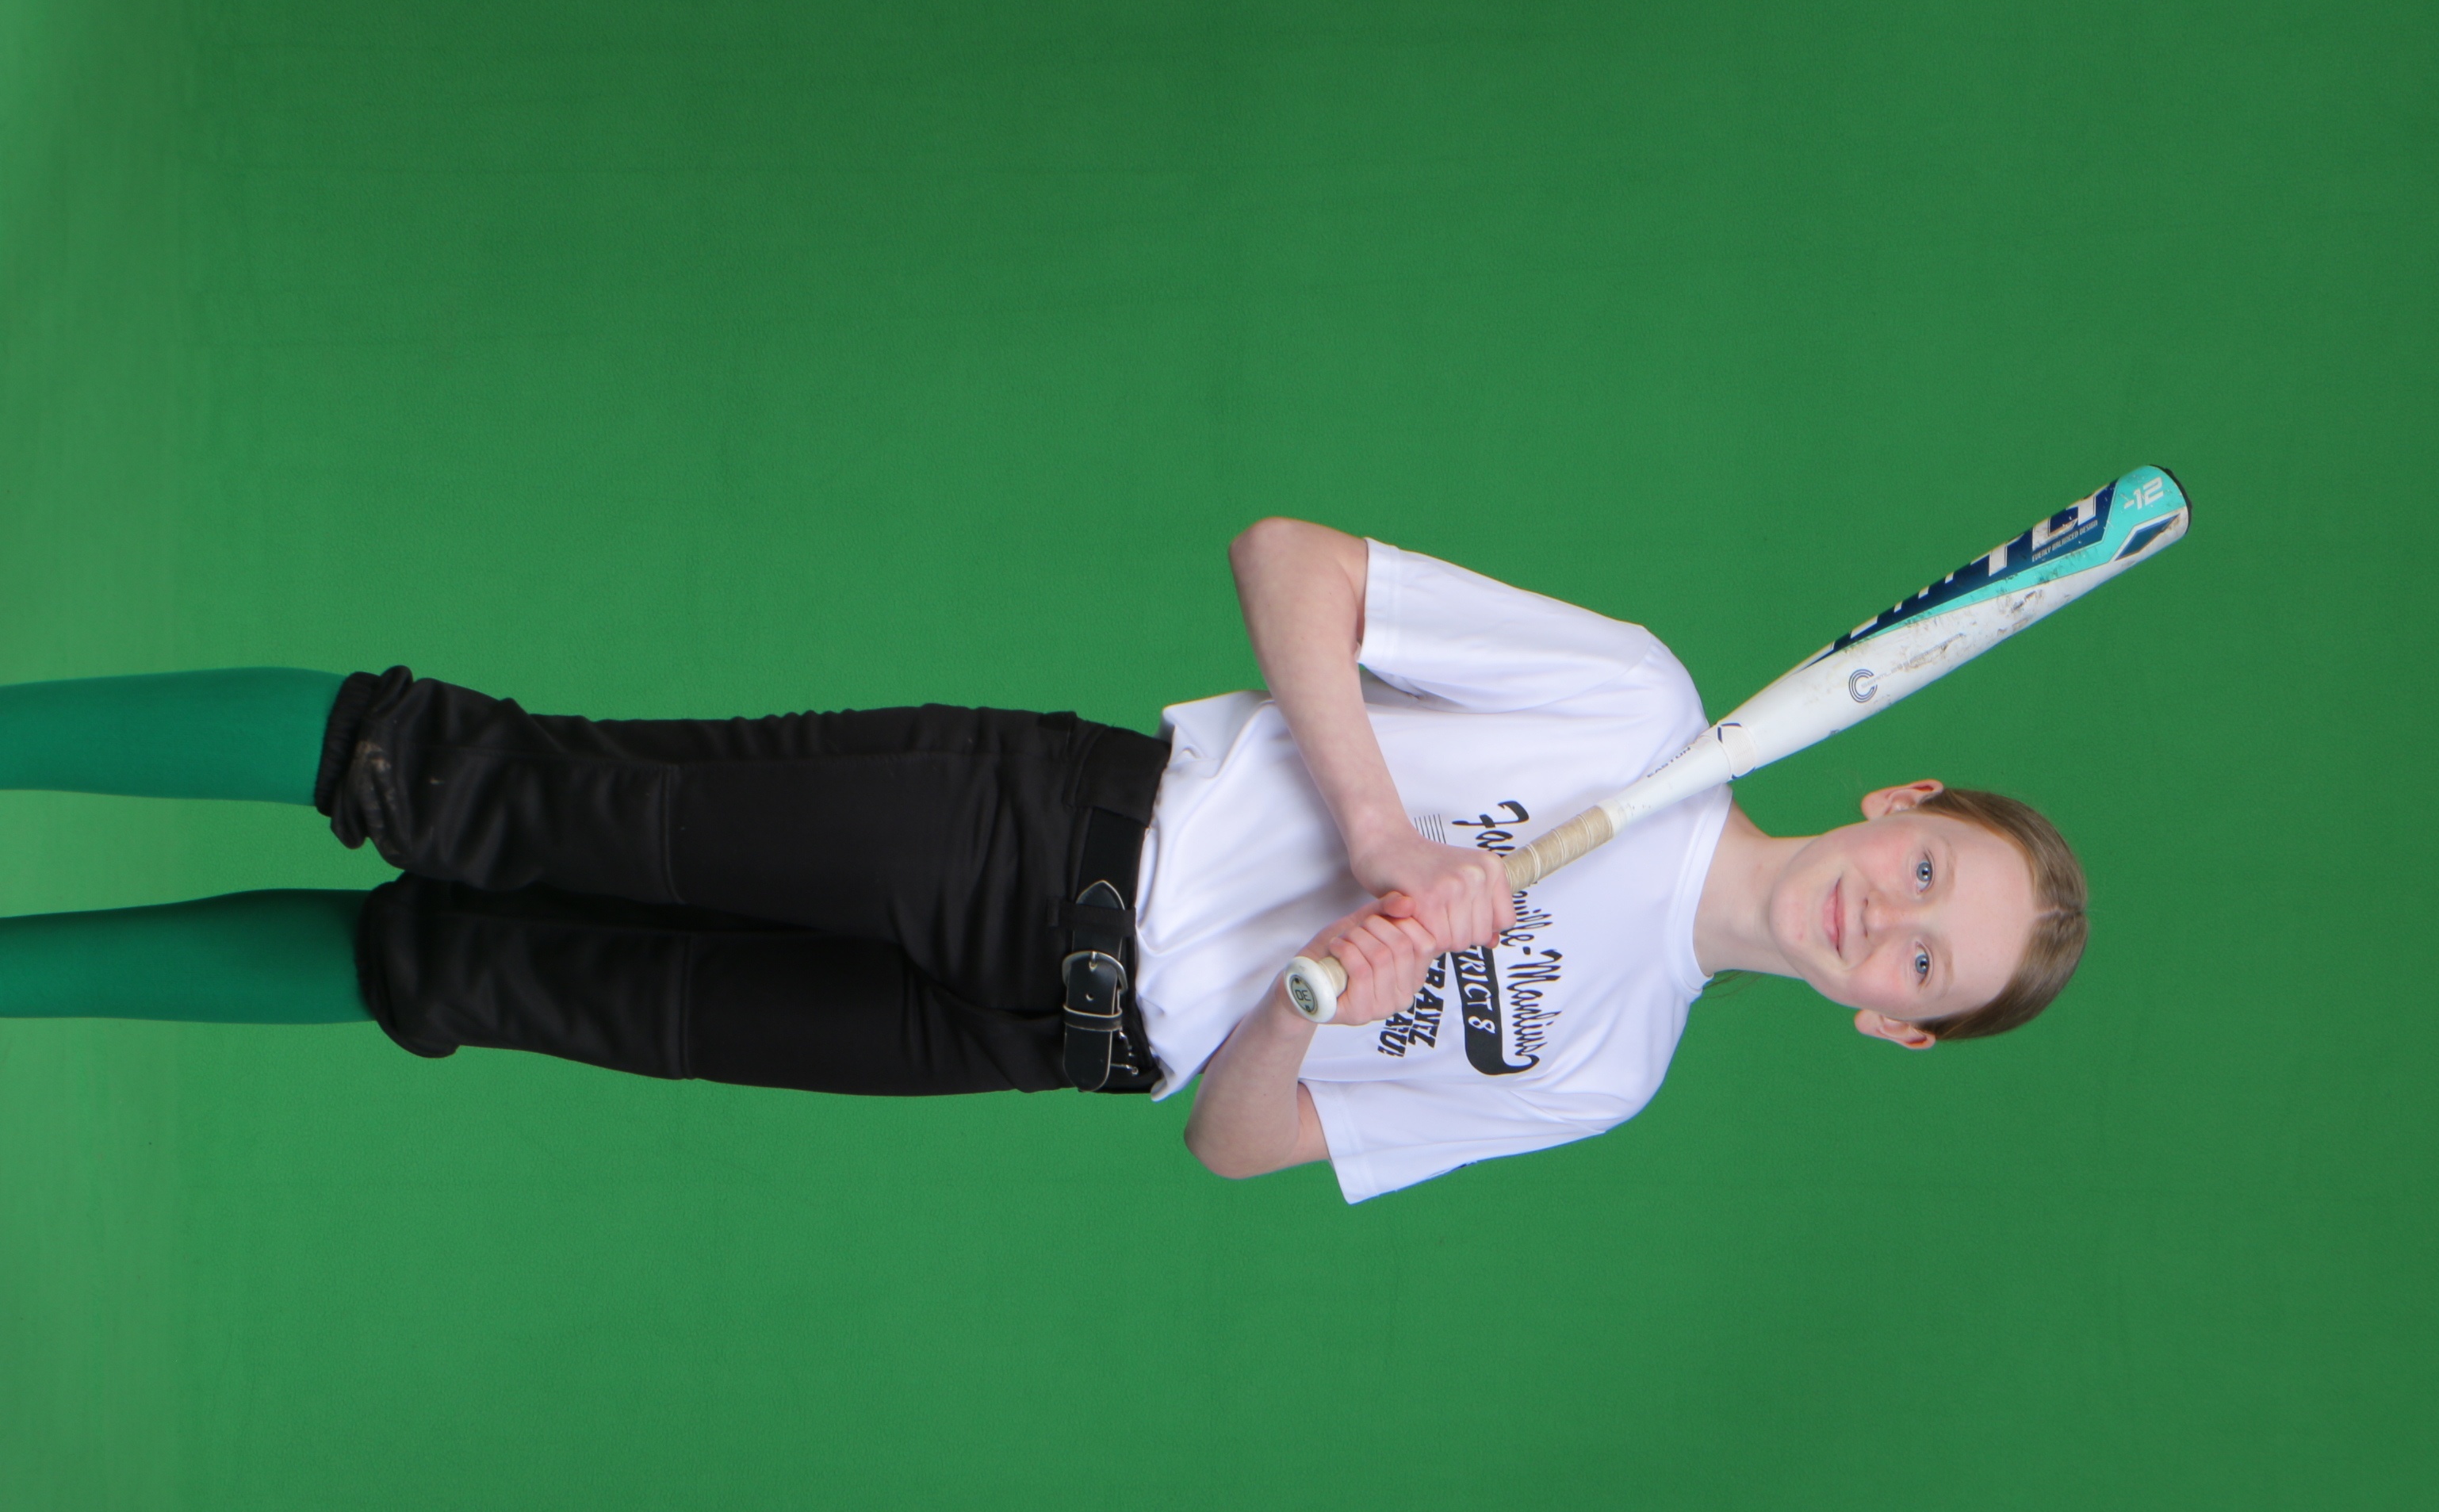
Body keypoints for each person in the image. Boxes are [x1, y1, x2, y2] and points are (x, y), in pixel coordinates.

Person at [0, 519, 2086, 1201]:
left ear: (1891, 1030)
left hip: (1033, 1041)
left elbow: (1241, 1148)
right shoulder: (1637, 708)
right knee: (482, 791)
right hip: (1036, 831)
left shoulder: (1607, 1071)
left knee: (468, 978)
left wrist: (1316, 998)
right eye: (1930, 880)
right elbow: (1291, 564)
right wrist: (1380, 831)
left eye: (1928, 966)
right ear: (1899, 803)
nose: (1888, 926)